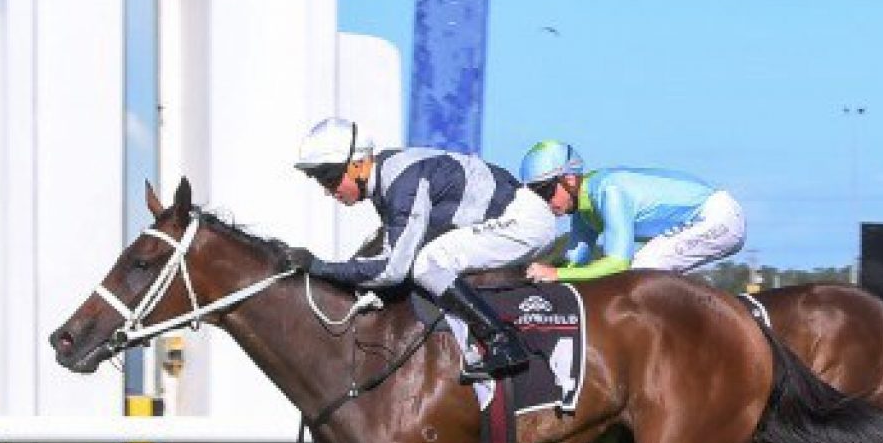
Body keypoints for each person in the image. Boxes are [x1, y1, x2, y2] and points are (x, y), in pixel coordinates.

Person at [291, 116, 554, 380]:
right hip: (508, 216)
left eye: (329, 178)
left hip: (523, 223)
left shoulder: (401, 182)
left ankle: (502, 340)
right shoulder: (388, 177)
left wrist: (320, 267)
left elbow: (393, 268)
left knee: (428, 262)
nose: (328, 191)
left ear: (358, 165)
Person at [518, 140, 747, 281]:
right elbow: (573, 266)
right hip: (703, 217)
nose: (545, 203)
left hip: (719, 217)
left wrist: (555, 274)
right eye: (537, 196)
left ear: (569, 179)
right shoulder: (582, 213)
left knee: (639, 269)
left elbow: (618, 263)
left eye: (546, 192)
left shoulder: (610, 192)